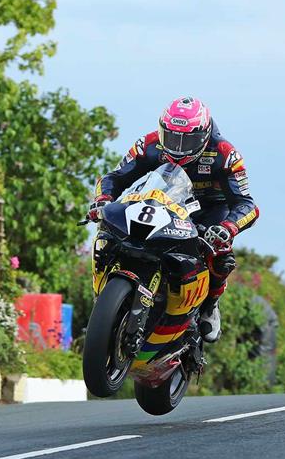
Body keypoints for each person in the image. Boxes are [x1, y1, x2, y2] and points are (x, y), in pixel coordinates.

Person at [87, 96, 260, 342]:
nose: (178, 147)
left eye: (187, 140)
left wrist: (228, 227)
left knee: (221, 255)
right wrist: (103, 198)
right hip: (163, 200)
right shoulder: (149, 144)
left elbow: (247, 204)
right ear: (162, 130)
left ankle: (210, 304)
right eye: (172, 137)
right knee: (112, 229)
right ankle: (106, 291)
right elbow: (114, 177)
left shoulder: (225, 154)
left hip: (209, 210)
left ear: (204, 134)